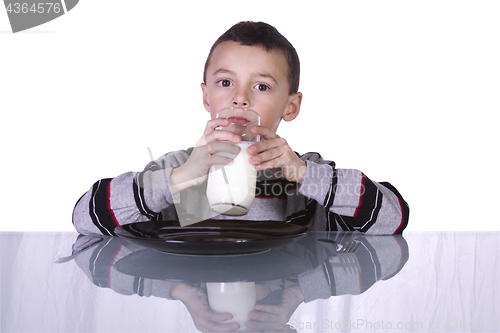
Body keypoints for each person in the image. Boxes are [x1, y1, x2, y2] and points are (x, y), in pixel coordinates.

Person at [72, 21, 409, 236]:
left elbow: (393, 218)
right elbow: (84, 217)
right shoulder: (179, 170)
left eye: (261, 87)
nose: (240, 99)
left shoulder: (306, 179)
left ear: (290, 106)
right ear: (206, 96)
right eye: (225, 82)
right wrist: (178, 180)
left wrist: (304, 173)